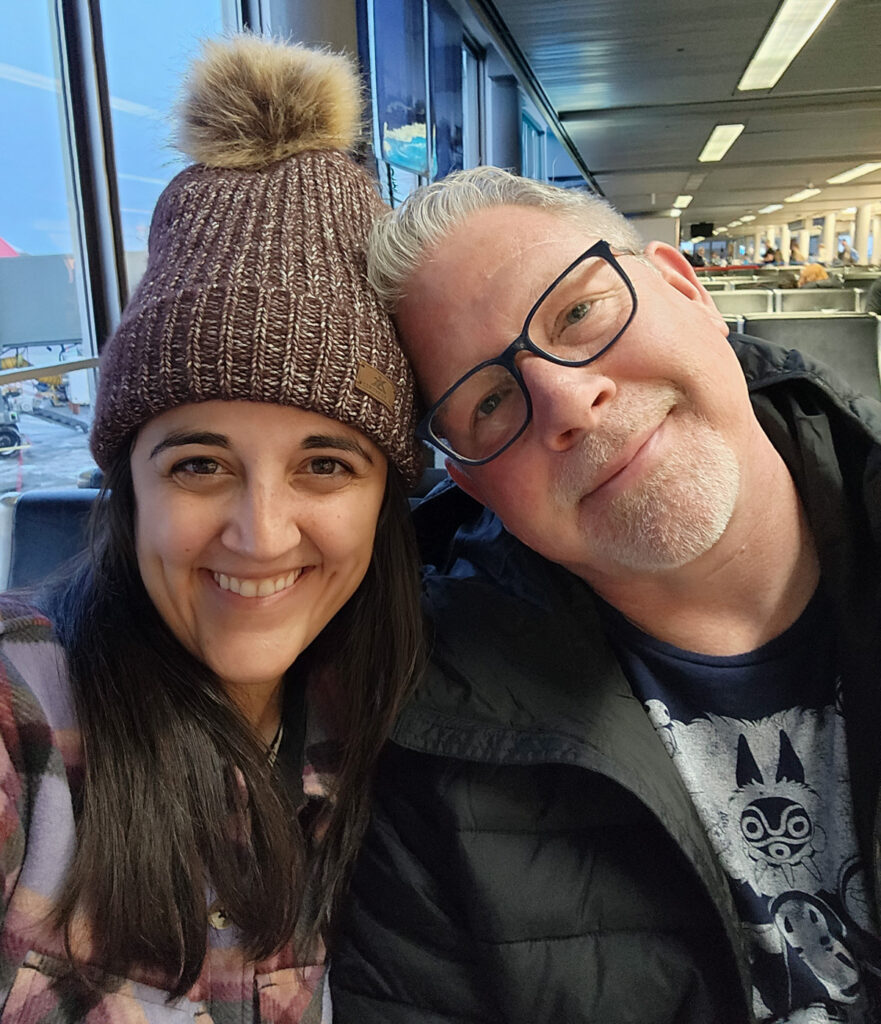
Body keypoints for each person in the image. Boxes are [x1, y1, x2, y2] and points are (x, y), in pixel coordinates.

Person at [329, 167, 881, 1023]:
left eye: (578, 313)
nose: (565, 400)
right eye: (488, 401)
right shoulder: (425, 756)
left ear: (682, 286)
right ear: (473, 486)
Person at [0, 35, 423, 1023]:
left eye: (326, 464)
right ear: (130, 484)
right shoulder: (28, 716)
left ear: (386, 498)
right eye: (199, 465)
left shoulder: (400, 726)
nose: (261, 531)